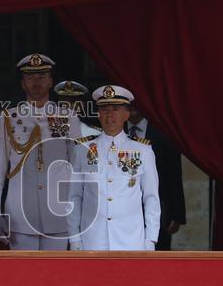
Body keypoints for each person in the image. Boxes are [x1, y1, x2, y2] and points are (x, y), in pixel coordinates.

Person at [0, 54, 81, 250]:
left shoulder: (68, 116)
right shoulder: (8, 117)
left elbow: (77, 168)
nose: (36, 82)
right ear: (23, 83)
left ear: (51, 81)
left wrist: (79, 211)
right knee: (21, 270)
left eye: (42, 76)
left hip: (58, 212)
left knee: (56, 269)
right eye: (30, 77)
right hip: (20, 214)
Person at [67, 85, 160, 251]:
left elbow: (151, 198)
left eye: (116, 109)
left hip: (131, 241)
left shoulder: (143, 150)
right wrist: (75, 239)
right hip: (92, 241)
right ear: (98, 114)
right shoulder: (82, 149)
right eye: (104, 109)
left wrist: (150, 240)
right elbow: (74, 197)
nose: (110, 115)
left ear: (126, 114)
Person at [126, 106, 186, 251]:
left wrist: (177, 213)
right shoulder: (114, 131)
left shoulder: (163, 132)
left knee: (156, 256)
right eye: (129, 103)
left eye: (137, 102)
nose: (133, 106)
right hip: (122, 212)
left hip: (158, 210)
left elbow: (174, 173)